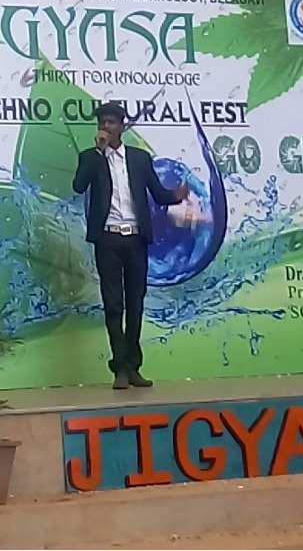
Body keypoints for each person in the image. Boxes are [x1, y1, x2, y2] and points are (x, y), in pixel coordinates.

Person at [72, 101, 189, 390]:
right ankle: (120, 369)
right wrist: (98, 153)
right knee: (114, 304)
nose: (105, 127)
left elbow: (158, 194)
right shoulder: (90, 157)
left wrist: (176, 195)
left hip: (136, 238)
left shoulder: (139, 158)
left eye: (111, 122)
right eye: (102, 123)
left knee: (136, 302)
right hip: (108, 238)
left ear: (122, 126)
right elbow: (78, 186)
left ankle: (133, 366)